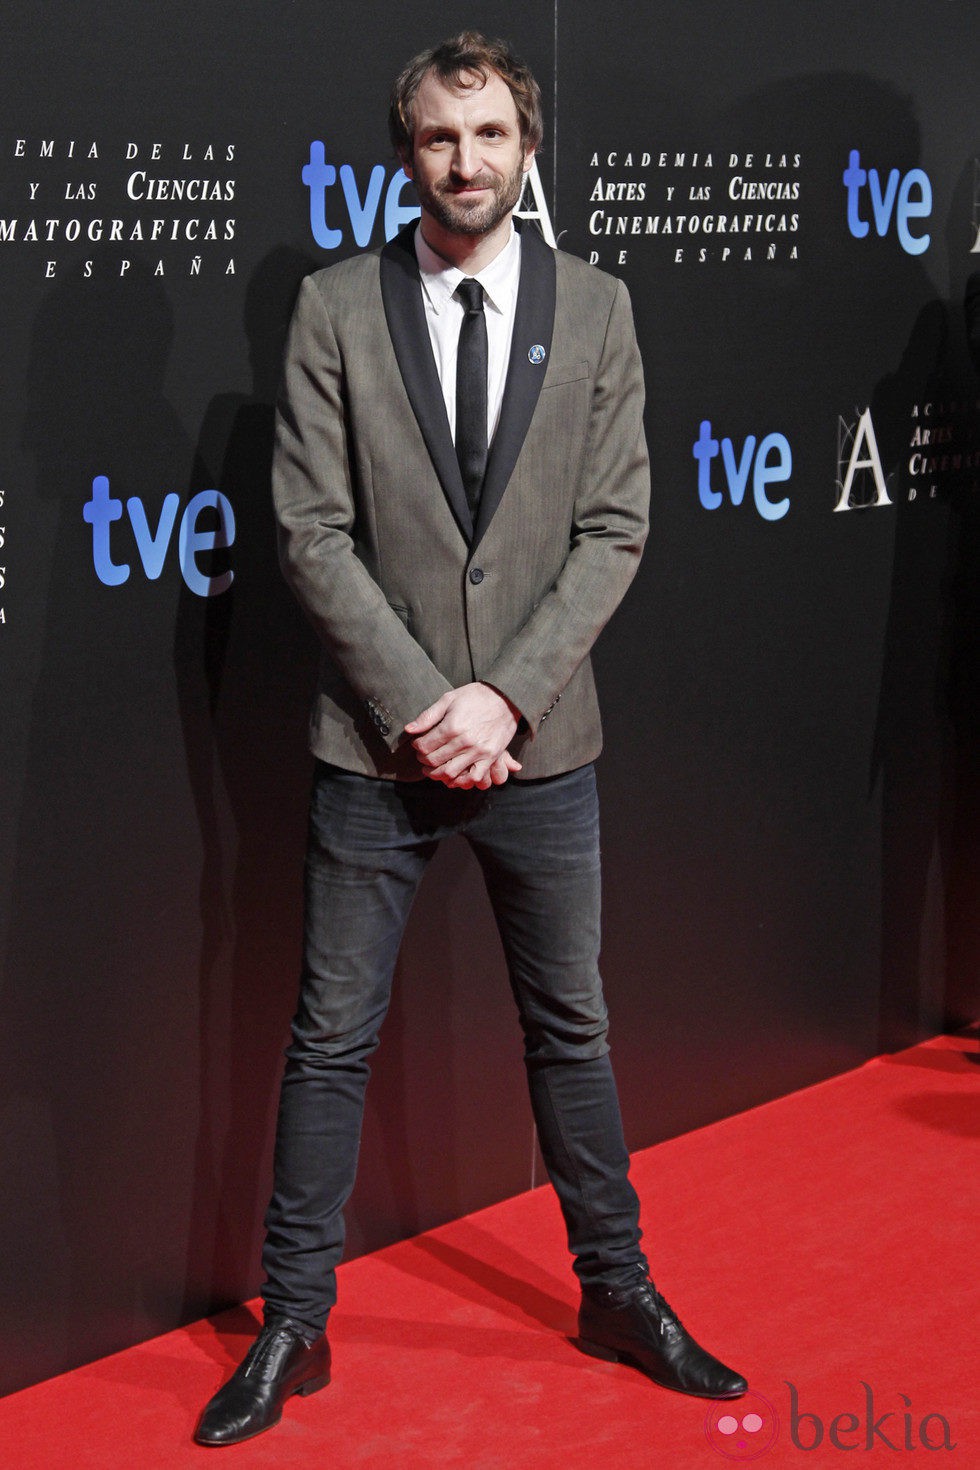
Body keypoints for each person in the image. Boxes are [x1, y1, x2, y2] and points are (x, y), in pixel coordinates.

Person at [195, 30, 746, 1447]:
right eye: (442, 138)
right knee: (329, 1040)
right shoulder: (331, 309)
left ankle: (619, 1290)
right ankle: (294, 1324)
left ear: (528, 148)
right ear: (407, 152)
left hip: (541, 745)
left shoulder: (602, 308)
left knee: (573, 1030)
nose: (468, 161)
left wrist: (505, 698)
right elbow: (310, 529)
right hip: (372, 751)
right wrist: (423, 705)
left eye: (491, 134)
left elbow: (615, 525)